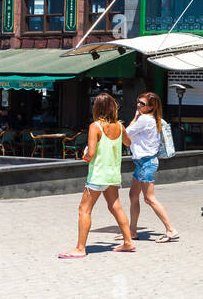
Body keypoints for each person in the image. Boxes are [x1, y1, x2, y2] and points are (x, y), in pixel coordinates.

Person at [59, 93, 134, 259]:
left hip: (98, 174)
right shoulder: (119, 126)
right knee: (115, 207)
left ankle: (80, 248)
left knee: (84, 209)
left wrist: (85, 155)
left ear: (97, 108)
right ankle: (128, 242)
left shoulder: (95, 126)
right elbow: (128, 143)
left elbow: (91, 153)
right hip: (113, 174)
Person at [124, 92, 179, 243]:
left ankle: (170, 229)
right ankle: (132, 231)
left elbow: (125, 134)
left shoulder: (144, 119)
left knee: (149, 198)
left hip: (146, 163)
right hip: (144, 163)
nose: (138, 105)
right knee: (133, 196)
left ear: (150, 107)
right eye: (138, 101)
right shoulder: (156, 119)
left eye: (142, 103)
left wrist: (134, 118)